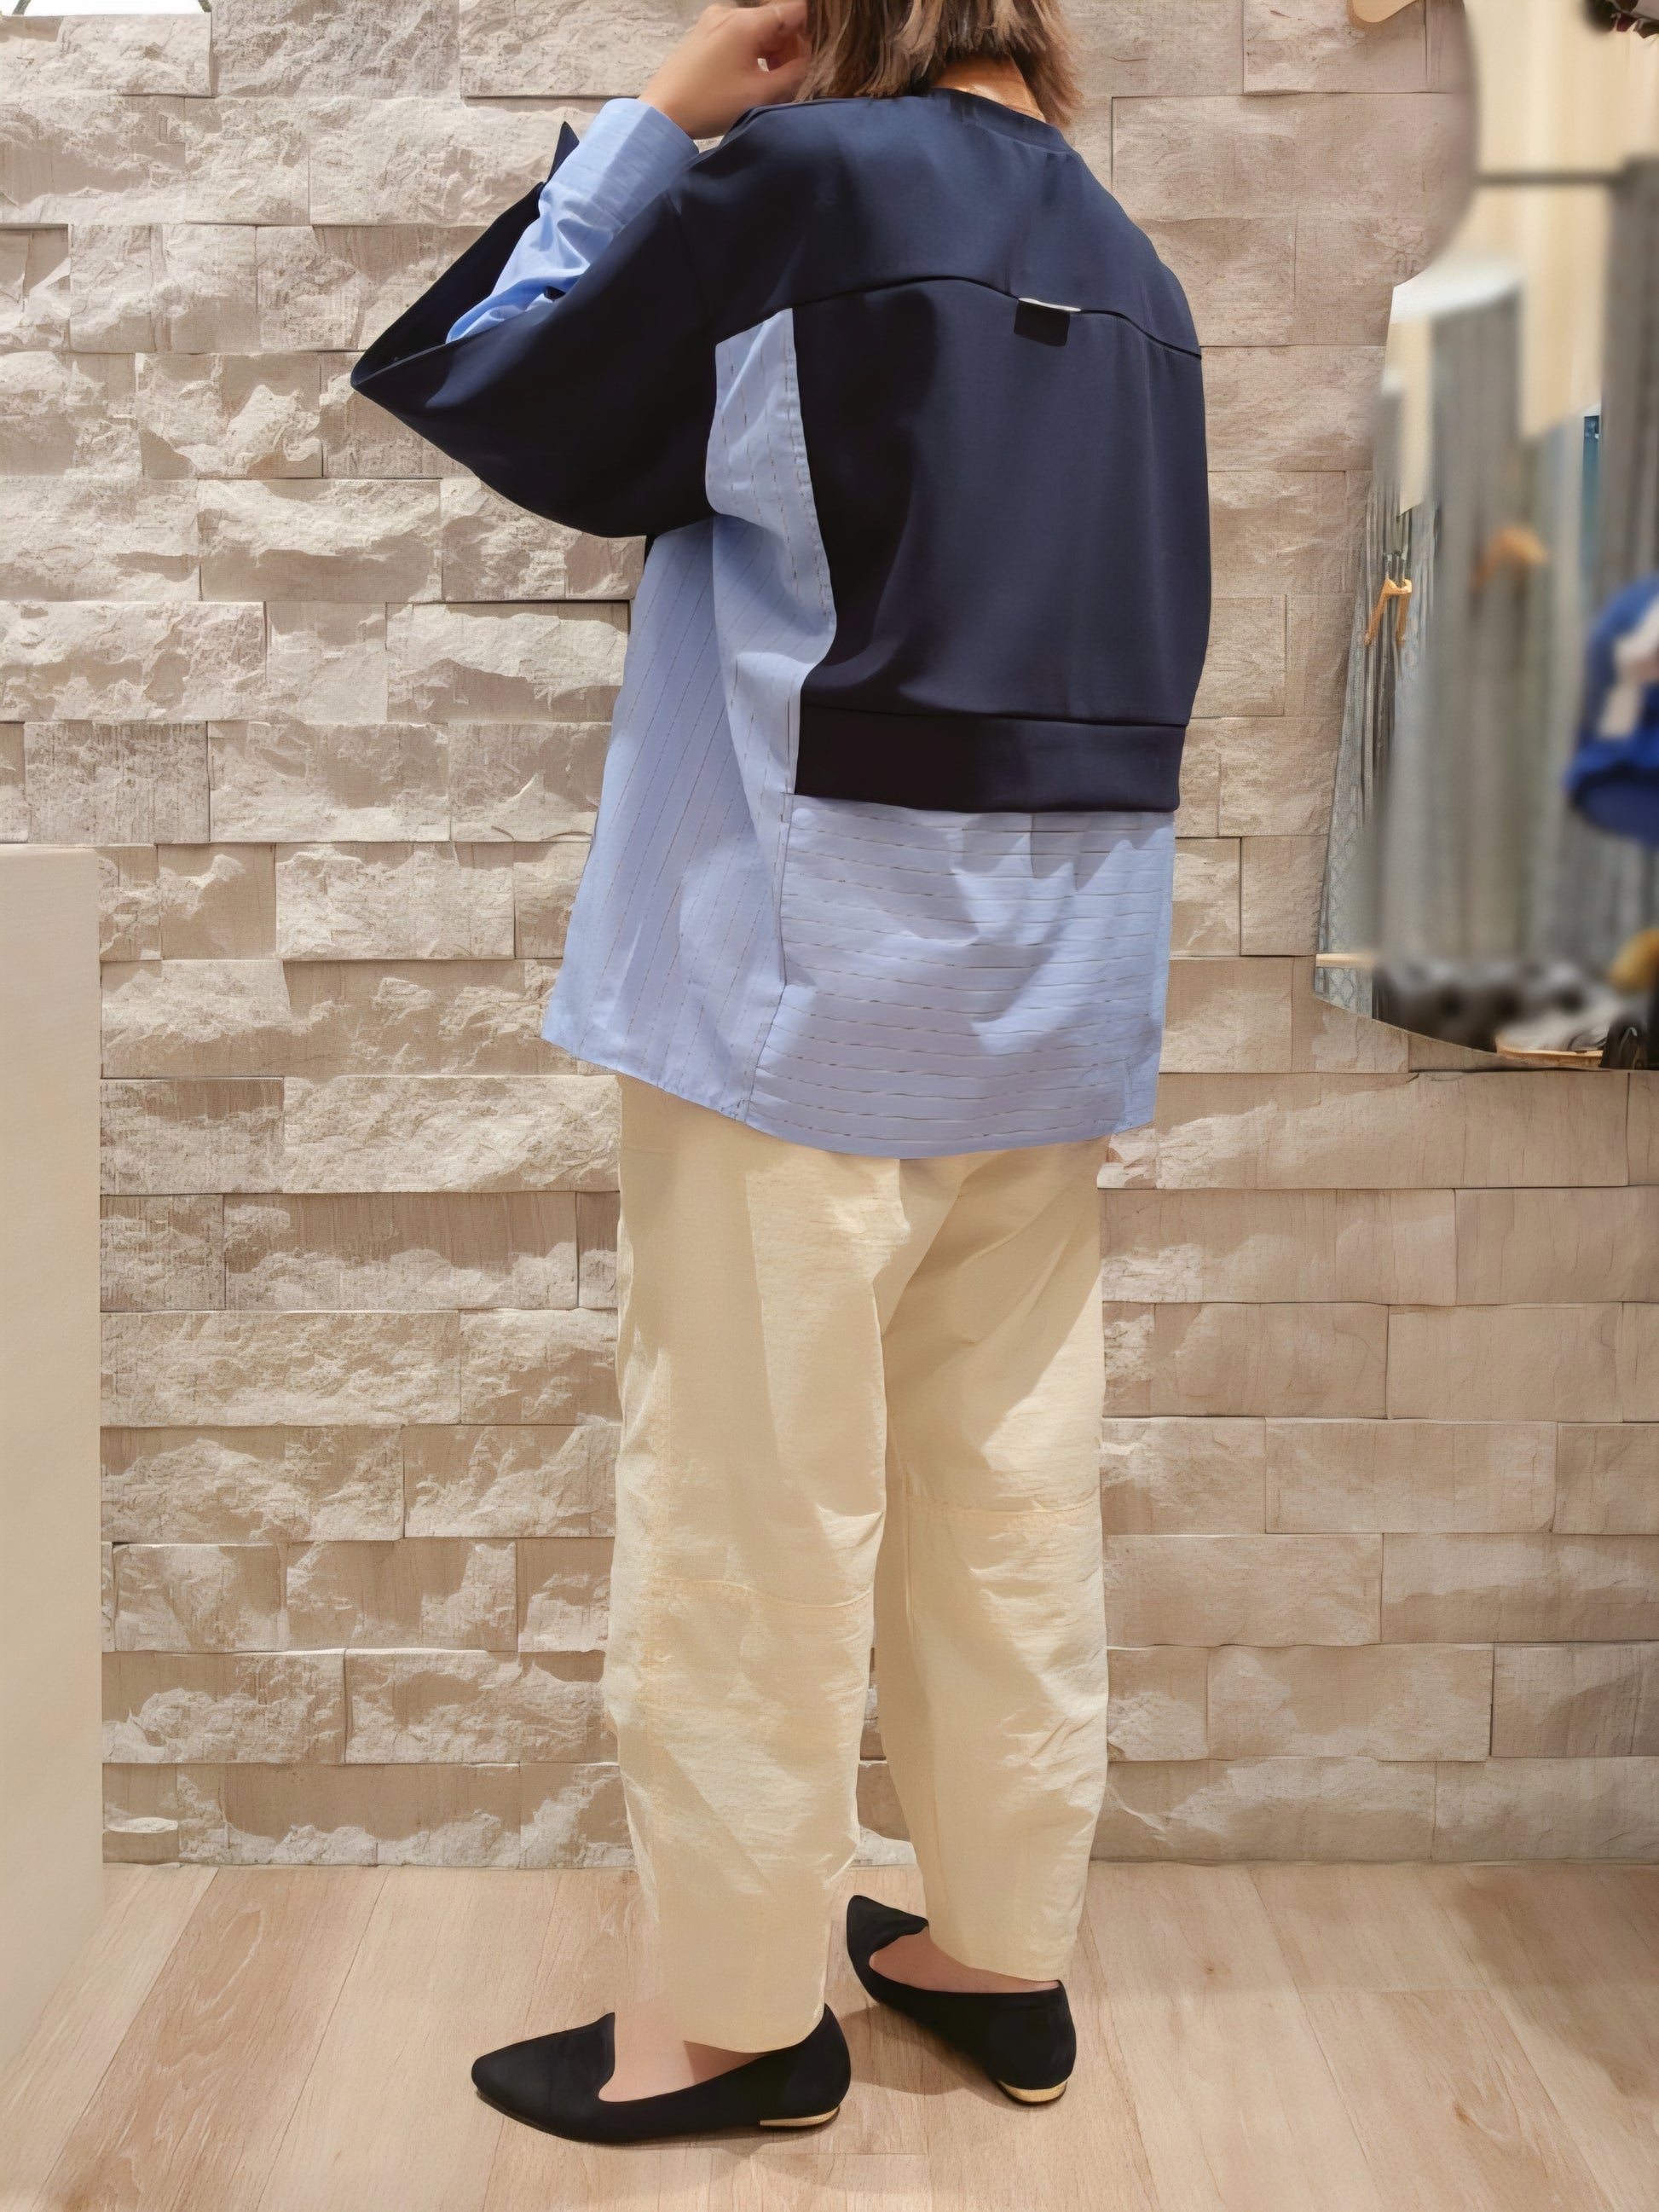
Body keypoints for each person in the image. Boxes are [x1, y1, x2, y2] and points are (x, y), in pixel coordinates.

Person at [354, 0, 1209, 2145]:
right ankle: (997, 1949)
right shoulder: (1133, 259)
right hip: (1053, 991)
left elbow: (496, 376)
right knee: (1003, 1492)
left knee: (753, 1509)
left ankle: (737, 2020)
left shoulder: (813, 185)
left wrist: (666, 113)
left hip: (804, 981)